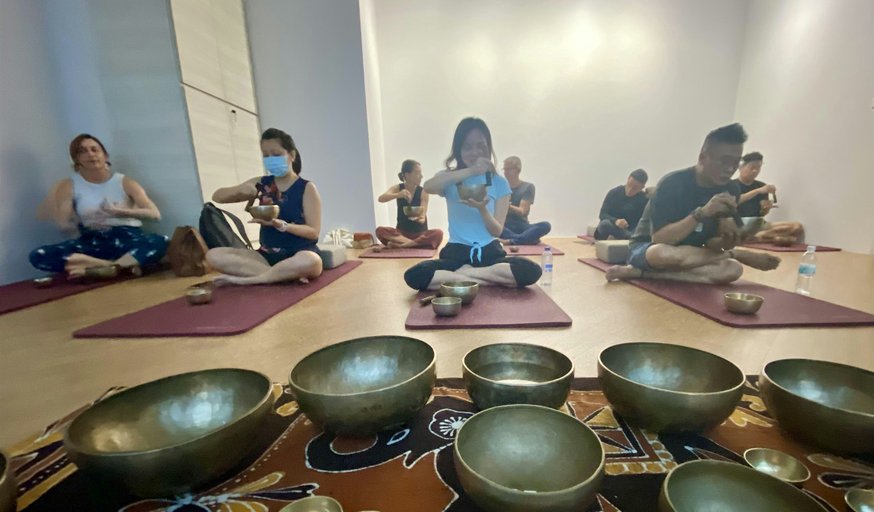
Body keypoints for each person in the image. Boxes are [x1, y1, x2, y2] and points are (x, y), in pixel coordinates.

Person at [606, 123, 781, 284]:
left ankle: (642, 274)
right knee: (662, 253)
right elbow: (660, 239)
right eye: (724, 161)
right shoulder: (672, 183)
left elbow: (711, 244)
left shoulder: (731, 189)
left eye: (735, 163)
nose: (730, 169)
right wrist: (702, 213)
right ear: (703, 157)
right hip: (648, 249)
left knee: (733, 269)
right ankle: (733, 256)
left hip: (693, 254)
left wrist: (728, 239)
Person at [403, 118, 542, 291]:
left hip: (489, 253)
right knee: (414, 275)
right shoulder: (450, 177)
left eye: (481, 146)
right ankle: (488, 278)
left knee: (531, 270)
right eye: (467, 147)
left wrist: (483, 210)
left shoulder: (499, 182)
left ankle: (464, 277)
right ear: (458, 149)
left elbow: (497, 231)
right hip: (456, 253)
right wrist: (472, 171)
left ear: (488, 147)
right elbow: (430, 186)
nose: (475, 152)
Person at [30, 134, 167, 277]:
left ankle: (97, 267)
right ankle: (113, 267)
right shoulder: (68, 186)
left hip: (126, 238)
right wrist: (85, 221)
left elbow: (154, 214)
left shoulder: (124, 181)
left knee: (159, 241)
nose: (90, 154)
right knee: (38, 255)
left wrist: (120, 212)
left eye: (95, 149)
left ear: (105, 156)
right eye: (82, 151)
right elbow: (65, 226)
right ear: (76, 159)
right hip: (93, 241)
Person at [206, 128, 323, 285]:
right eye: (266, 156)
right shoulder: (262, 183)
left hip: (298, 254)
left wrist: (282, 225)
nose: (271, 159)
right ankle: (282, 275)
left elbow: (313, 233)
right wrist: (240, 190)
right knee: (213, 255)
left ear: (292, 155)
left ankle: (248, 281)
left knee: (312, 261)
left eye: (276, 154)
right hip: (265, 256)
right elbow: (217, 196)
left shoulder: (307, 188)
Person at [734, 152, 805, 243]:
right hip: (739, 225)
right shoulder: (732, 185)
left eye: (758, 168)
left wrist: (766, 209)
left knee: (797, 227)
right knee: (788, 238)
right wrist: (758, 191)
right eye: (752, 167)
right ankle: (764, 238)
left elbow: (762, 213)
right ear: (741, 167)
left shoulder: (762, 185)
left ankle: (759, 237)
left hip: (758, 224)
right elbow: (735, 201)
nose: (755, 171)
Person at [375, 159, 443, 249]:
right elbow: (381, 199)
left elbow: (422, 217)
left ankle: (403, 245)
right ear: (407, 175)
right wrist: (398, 195)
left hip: (419, 234)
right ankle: (414, 244)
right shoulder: (398, 188)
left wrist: (419, 218)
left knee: (438, 233)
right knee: (380, 230)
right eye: (417, 173)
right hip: (401, 234)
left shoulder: (423, 191)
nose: (421, 176)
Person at [499, 156, 552, 245]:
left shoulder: (528, 187)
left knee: (546, 225)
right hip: (505, 226)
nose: (506, 173)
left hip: (522, 225)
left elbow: (523, 212)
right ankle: (526, 239)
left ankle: (514, 240)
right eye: (505, 169)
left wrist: (507, 206)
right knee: (491, 226)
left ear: (518, 170)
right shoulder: (500, 187)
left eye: (509, 169)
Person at [594, 169, 649, 240]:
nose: (630, 190)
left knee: (641, 231)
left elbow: (643, 221)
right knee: (604, 224)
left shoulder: (644, 199)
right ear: (628, 179)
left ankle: (626, 237)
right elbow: (603, 214)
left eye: (635, 188)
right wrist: (616, 221)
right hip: (613, 225)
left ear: (642, 187)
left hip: (630, 229)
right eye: (629, 185)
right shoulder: (614, 193)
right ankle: (628, 238)